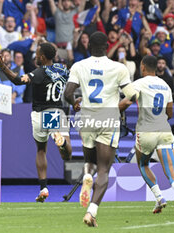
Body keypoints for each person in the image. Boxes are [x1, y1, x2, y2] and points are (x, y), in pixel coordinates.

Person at [64, 31, 138, 227]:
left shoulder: (79, 66)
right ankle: (92, 211)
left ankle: (87, 175)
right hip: (108, 119)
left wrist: (74, 103)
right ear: (107, 47)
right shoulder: (118, 68)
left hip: (87, 118)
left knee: (90, 161)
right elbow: (131, 95)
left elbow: (68, 92)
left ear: (89, 47)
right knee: (104, 169)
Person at [0, 42, 72, 202]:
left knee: (41, 150)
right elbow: (70, 88)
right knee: (67, 155)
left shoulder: (39, 72)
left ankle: (43, 188)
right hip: (55, 112)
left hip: (38, 114)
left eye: (36, 53)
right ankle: (61, 141)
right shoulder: (63, 70)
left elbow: (18, 80)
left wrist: (3, 68)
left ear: (42, 57)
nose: (35, 56)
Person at [119, 55, 174, 215]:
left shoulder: (138, 83)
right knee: (171, 169)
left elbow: (128, 101)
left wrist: (113, 110)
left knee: (143, 164)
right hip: (164, 130)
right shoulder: (165, 85)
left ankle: (159, 198)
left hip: (146, 132)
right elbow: (170, 113)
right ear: (156, 67)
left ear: (142, 67)